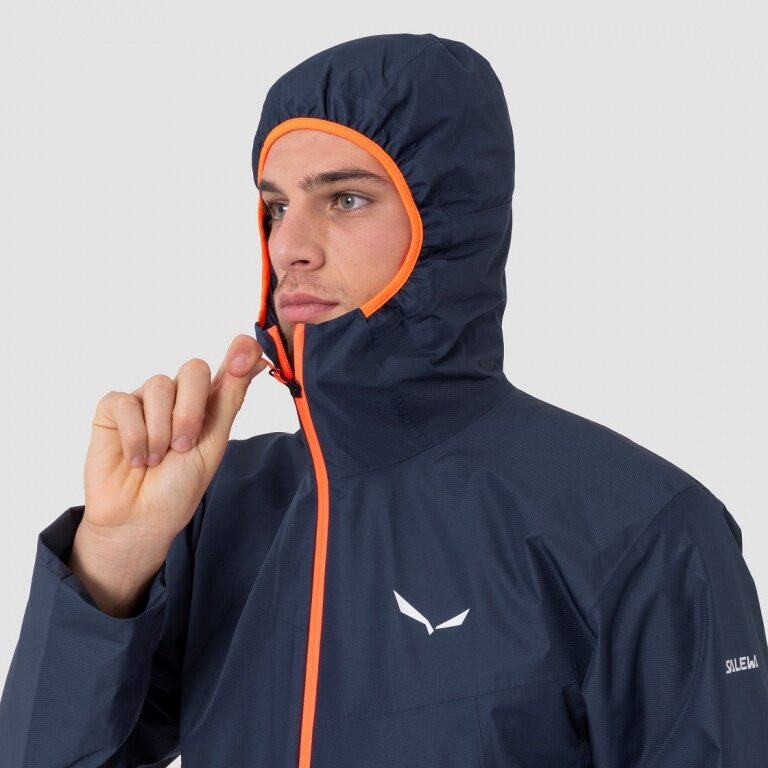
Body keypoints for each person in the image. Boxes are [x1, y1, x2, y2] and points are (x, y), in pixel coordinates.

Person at [1, 31, 767, 767]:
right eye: (276, 206)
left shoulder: (640, 526)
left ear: (449, 222)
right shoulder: (214, 509)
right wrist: (112, 561)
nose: (287, 246)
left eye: (345, 199)